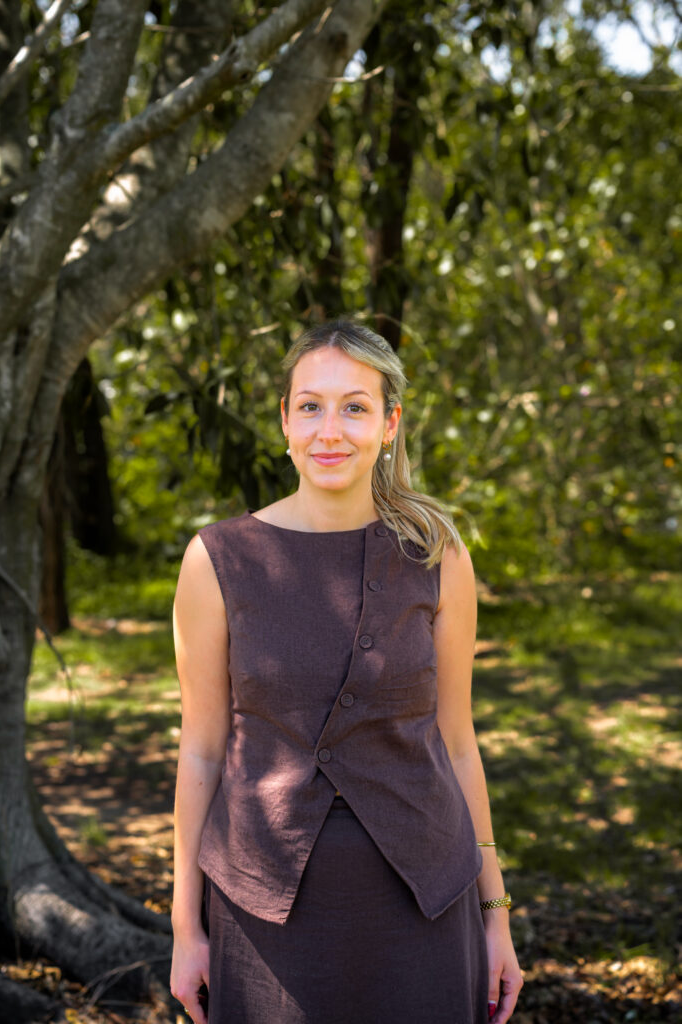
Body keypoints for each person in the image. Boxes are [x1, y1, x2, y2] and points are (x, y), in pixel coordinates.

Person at [170, 319, 523, 1024]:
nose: (329, 430)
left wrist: (496, 915)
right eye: (310, 405)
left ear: (389, 424)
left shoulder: (438, 556)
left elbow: (457, 741)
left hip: (424, 905)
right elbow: (202, 750)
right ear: (285, 420)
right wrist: (184, 928)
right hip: (263, 916)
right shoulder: (216, 560)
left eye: (354, 406)